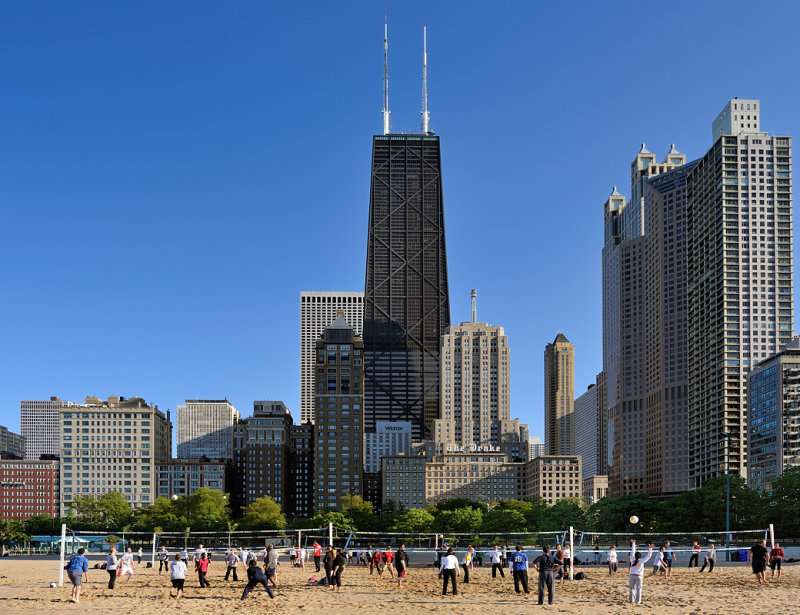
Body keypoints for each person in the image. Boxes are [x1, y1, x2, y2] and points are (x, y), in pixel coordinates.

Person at [628, 540, 654, 604]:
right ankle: (638, 601)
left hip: (632, 575)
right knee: (639, 589)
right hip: (639, 576)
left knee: (631, 588)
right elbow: (648, 556)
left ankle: (631, 600)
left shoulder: (633, 559)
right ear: (640, 556)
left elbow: (632, 551)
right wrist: (650, 548)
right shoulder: (641, 560)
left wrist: (633, 543)